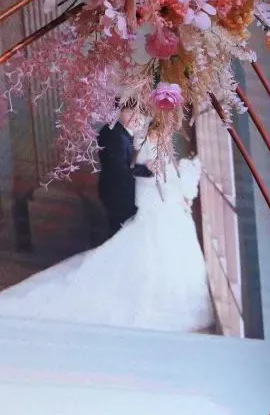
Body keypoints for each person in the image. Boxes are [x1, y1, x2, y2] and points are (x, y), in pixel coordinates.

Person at [0, 117, 215, 334]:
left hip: (159, 204)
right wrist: (171, 187)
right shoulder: (138, 141)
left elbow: (154, 174)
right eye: (170, 125)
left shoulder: (148, 141)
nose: (172, 130)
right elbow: (142, 177)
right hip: (150, 206)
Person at [96, 104, 150, 239]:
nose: (136, 119)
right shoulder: (116, 135)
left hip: (117, 190)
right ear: (119, 112)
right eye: (131, 113)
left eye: (140, 116)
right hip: (118, 192)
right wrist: (146, 169)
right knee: (119, 234)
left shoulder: (121, 132)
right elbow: (120, 169)